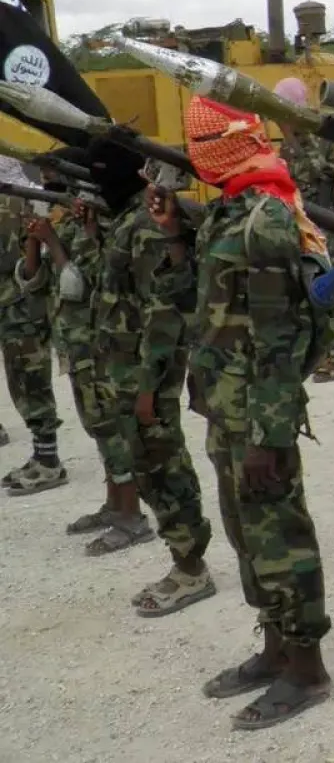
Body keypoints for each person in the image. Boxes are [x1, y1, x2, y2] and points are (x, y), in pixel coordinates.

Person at [149, 96, 331, 730]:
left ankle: (307, 669)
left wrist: (269, 435)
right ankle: (276, 647)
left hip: (259, 415)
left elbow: (278, 341)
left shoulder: (265, 220)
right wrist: (175, 239)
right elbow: (206, 308)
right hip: (226, 407)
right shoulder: (229, 211)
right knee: (246, 534)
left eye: (198, 144)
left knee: (280, 537)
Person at [94, 158, 217, 611]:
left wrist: (148, 385)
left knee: (162, 462)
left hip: (148, 371)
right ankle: (184, 559)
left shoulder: (148, 226)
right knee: (149, 461)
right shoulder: (131, 220)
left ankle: (190, 567)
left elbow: (165, 311)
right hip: (131, 367)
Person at [17, 188, 152, 549]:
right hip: (77, 347)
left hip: (100, 346)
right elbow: (32, 280)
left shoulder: (106, 233)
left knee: (112, 430)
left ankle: (132, 515)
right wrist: (36, 240)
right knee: (98, 428)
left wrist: (55, 243)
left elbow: (81, 285)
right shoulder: (74, 229)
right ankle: (114, 505)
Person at [274, 76, 334, 382]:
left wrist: (290, 137)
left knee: (327, 284)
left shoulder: (311, 136)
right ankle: (320, 351)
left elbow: (317, 172)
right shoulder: (291, 139)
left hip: (324, 222)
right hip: (304, 221)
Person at [0, 158, 66, 496]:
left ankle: (49, 461)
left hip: (22, 303)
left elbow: (20, 252)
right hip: (14, 300)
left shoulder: (12, 193)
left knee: (31, 380)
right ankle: (43, 456)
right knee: (20, 380)